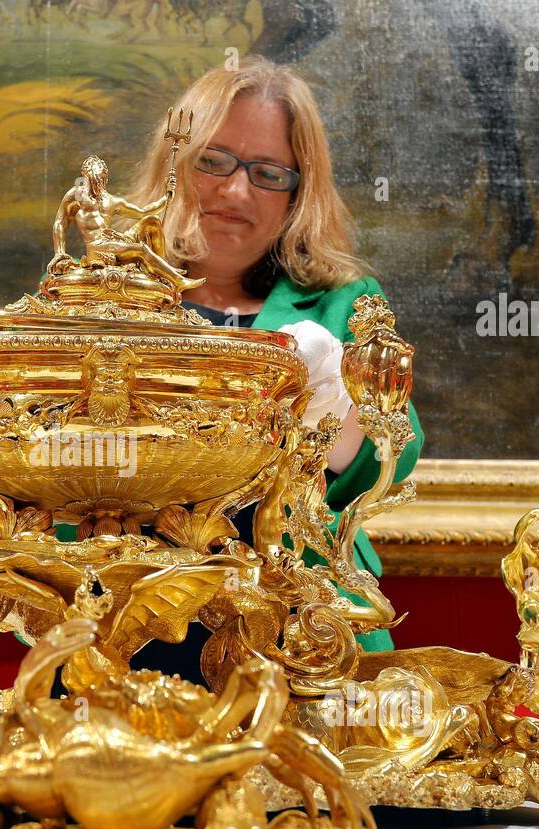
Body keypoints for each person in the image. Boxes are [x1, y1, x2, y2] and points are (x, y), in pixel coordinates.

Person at [71, 55, 425, 676]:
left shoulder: (343, 301)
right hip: (121, 618)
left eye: (268, 173)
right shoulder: (98, 292)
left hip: (297, 619)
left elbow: (387, 449)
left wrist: (322, 403)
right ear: (174, 161)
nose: (235, 192)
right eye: (214, 161)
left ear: (298, 192)